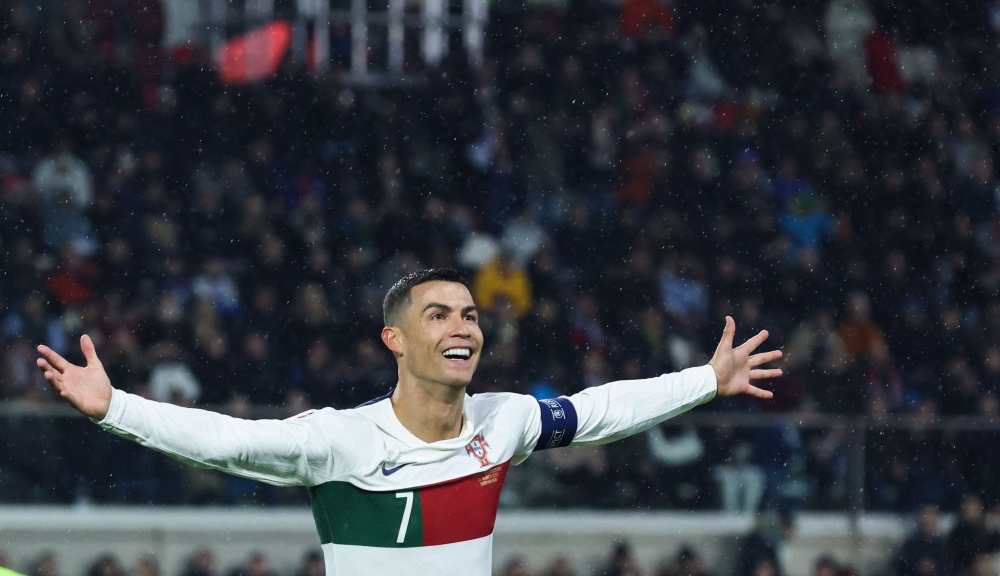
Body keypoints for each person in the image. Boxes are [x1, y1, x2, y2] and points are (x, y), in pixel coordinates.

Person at [36, 268, 782, 576]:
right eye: (438, 314)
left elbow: (602, 411)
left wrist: (706, 380)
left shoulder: (506, 420)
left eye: (469, 313)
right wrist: (117, 409)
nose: (462, 326)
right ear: (394, 339)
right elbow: (231, 442)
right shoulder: (339, 441)